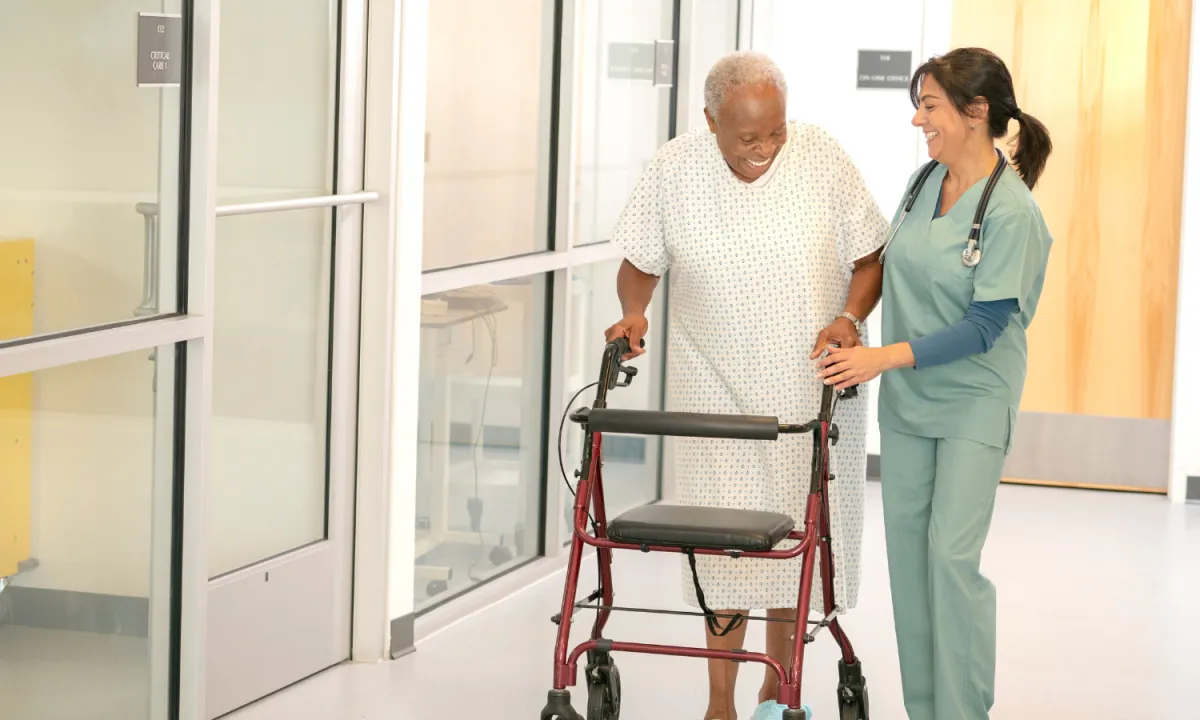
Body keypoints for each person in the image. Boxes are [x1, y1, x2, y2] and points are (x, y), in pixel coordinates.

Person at [604, 51, 888, 720]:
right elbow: (638, 263)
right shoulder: (674, 168)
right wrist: (634, 312)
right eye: (747, 136)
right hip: (714, 386)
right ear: (710, 121)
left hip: (806, 385)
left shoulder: (819, 156)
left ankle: (775, 689)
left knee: (792, 539)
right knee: (725, 546)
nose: (764, 148)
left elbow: (870, 255)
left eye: (775, 132)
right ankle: (720, 703)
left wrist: (850, 317)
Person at [817, 48, 1054, 719]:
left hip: (974, 403)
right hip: (912, 405)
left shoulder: (1012, 214)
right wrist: (849, 320)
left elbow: (983, 328)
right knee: (913, 569)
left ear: (975, 113)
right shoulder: (925, 182)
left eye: (930, 106)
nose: (918, 120)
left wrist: (881, 357)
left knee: (951, 561)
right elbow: (894, 265)